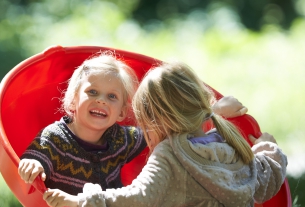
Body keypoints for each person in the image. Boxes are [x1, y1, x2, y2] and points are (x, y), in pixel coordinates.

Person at [42, 61, 288, 207]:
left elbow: (138, 203)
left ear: (154, 122)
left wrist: (80, 201)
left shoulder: (172, 156)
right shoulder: (229, 144)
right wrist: (268, 149)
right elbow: (266, 180)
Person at [18, 53, 249, 195]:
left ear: (121, 112)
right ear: (72, 100)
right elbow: (38, 155)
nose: (101, 100)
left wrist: (214, 111)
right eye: (92, 92)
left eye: (112, 97)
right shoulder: (55, 137)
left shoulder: (120, 138)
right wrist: (34, 164)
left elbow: (169, 128)